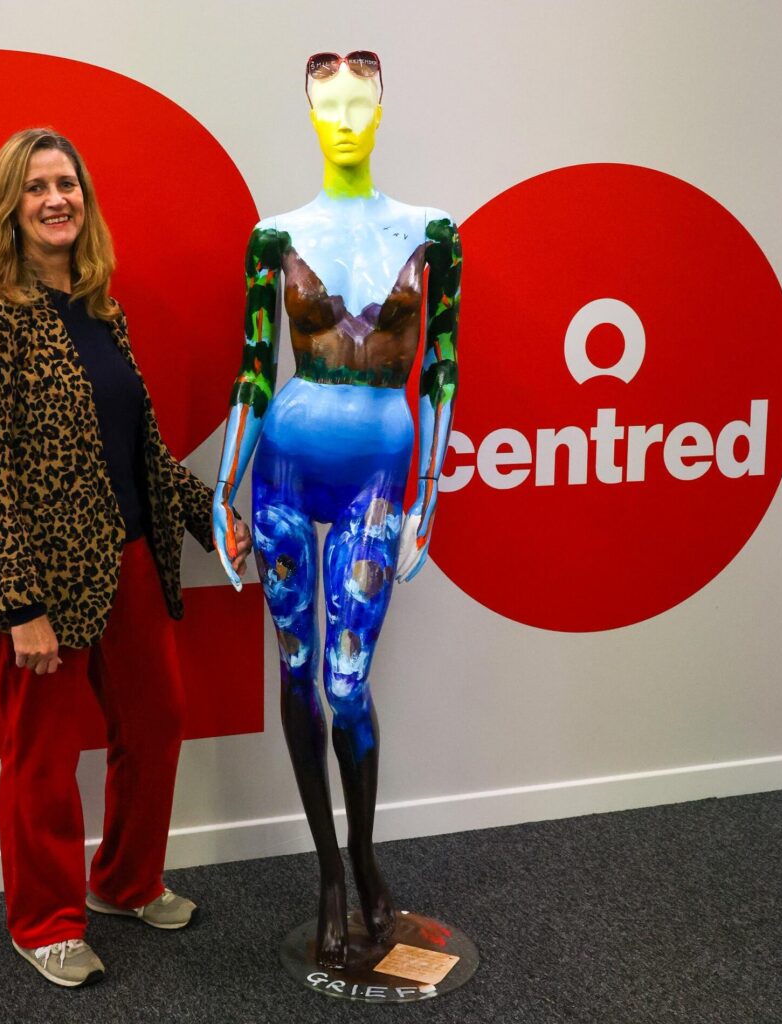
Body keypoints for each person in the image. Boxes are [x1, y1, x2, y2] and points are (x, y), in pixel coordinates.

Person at [0, 127, 251, 988]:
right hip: (44, 582)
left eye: (67, 183)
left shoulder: (101, 305)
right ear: (9, 205)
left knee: (156, 724)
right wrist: (16, 603)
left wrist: (209, 516)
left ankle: (125, 881)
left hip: (129, 559)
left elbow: (140, 449)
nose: (55, 200)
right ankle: (44, 922)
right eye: (36, 186)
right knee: (42, 757)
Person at [212, 52, 462, 969]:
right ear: (308, 113)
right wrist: (226, 482)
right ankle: (325, 870)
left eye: (361, 100)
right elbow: (251, 366)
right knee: (297, 667)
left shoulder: (434, 233)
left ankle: (363, 854)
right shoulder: (273, 236)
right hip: (283, 465)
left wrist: (426, 492)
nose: (346, 117)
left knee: (347, 683)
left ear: (385, 107)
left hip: (375, 476)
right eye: (329, 103)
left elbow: (439, 373)